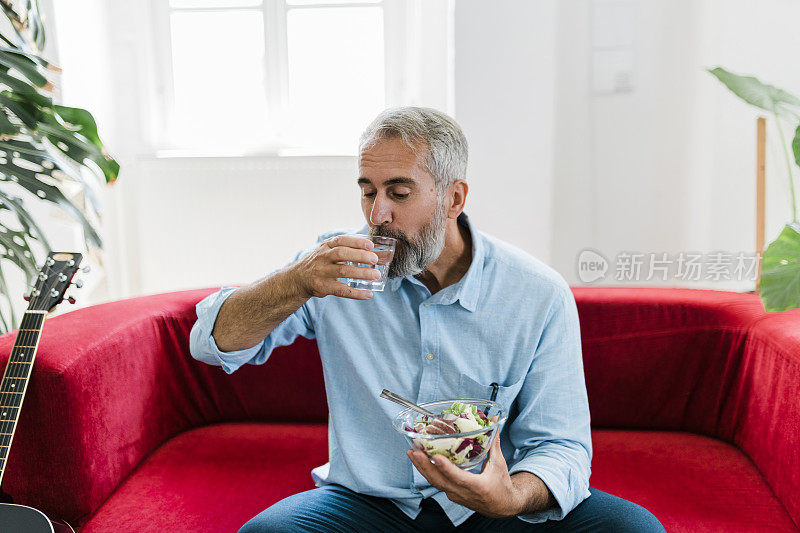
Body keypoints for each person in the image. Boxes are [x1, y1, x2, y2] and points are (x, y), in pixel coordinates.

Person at [189, 107, 665, 532]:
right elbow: (210, 342)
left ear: (454, 198)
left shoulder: (536, 294)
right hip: (368, 505)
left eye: (399, 192)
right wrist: (294, 282)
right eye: (368, 192)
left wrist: (511, 497)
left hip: (495, 507)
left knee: (633, 528)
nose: (378, 214)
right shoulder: (330, 269)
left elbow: (562, 445)